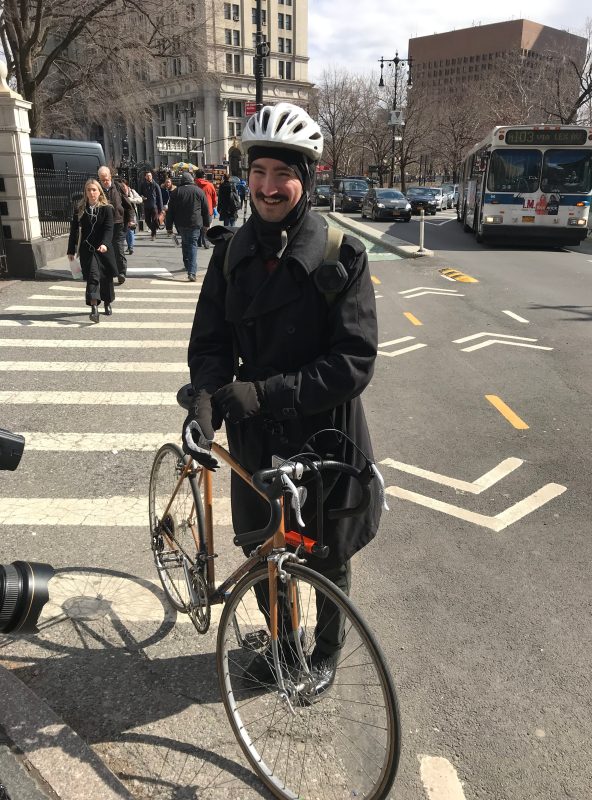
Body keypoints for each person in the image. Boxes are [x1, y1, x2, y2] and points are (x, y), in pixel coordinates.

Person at [183, 102, 380, 689]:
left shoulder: (340, 254)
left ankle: (323, 653)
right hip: (253, 430)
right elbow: (210, 339)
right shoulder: (230, 253)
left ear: (307, 178)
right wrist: (205, 394)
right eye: (259, 171)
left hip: (321, 428)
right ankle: (283, 645)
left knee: (324, 553)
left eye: (283, 174)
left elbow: (354, 361)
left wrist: (263, 395)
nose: (268, 188)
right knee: (266, 551)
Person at [67, 179, 118, 323]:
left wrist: (105, 244)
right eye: (89, 190)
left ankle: (107, 302)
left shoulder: (107, 208)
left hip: (103, 249)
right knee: (92, 276)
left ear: (99, 191)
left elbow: (109, 229)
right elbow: (74, 231)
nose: (91, 192)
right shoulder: (80, 208)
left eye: (94, 190)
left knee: (106, 277)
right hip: (87, 249)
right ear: (85, 192)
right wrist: (71, 250)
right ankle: (94, 308)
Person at [165, 173, 210, 281]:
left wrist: (169, 227)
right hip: (195, 223)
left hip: (180, 224)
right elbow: (205, 209)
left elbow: (170, 211)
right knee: (193, 245)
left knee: (185, 243)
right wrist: (206, 224)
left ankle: (187, 264)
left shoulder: (176, 192)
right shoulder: (199, 191)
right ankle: (192, 272)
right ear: (192, 180)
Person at [97, 166, 133, 283]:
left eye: (106, 179)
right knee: (105, 248)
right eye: (102, 180)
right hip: (104, 225)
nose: (105, 182)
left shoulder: (118, 187)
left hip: (118, 223)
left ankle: (121, 272)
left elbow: (128, 205)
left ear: (110, 177)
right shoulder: (97, 189)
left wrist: (130, 219)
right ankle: (109, 271)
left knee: (118, 248)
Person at [194, 169, 218, 249]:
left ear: (195, 176)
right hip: (208, 209)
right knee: (206, 227)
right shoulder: (210, 185)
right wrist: (213, 206)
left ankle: (198, 242)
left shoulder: (194, 185)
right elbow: (214, 198)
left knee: (198, 226)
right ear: (204, 176)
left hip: (196, 209)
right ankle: (206, 243)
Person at [119, 177, 143, 254]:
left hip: (131, 213)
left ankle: (131, 247)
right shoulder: (119, 192)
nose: (123, 188)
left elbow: (140, 199)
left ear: (127, 186)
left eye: (124, 186)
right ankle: (129, 246)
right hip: (122, 214)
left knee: (130, 231)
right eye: (121, 186)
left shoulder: (132, 191)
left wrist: (130, 199)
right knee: (125, 231)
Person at [140, 170, 163, 240]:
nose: (149, 177)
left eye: (150, 176)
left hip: (154, 206)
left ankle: (153, 234)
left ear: (152, 176)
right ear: (145, 177)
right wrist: (142, 197)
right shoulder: (143, 184)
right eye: (147, 176)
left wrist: (161, 208)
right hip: (146, 205)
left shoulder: (155, 185)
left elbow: (160, 196)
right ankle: (154, 229)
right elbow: (140, 193)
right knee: (147, 220)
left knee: (154, 220)